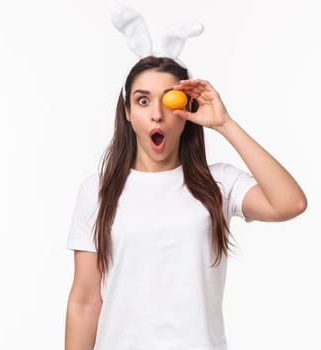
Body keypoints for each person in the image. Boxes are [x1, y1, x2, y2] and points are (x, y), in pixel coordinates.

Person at [64, 56, 308, 350]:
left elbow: (290, 203)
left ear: (186, 110)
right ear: (127, 111)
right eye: (143, 101)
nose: (157, 114)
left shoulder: (217, 184)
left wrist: (225, 124)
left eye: (169, 101)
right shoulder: (98, 190)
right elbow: (85, 301)